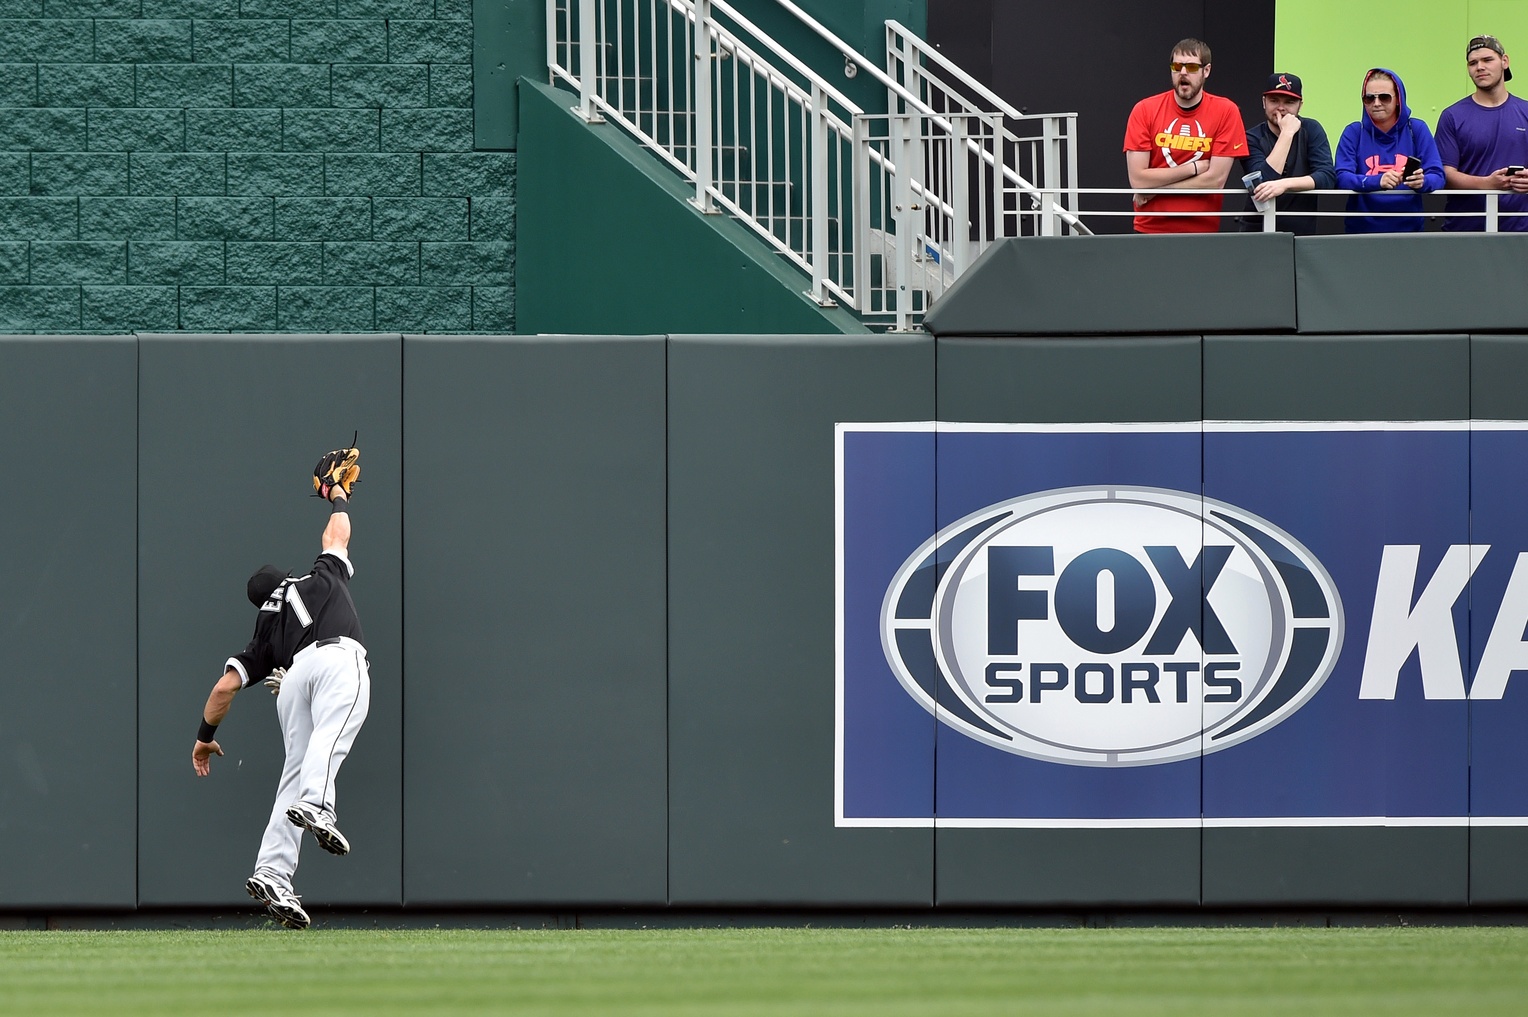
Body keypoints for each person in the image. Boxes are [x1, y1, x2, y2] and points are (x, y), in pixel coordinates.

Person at [191, 446, 370, 931]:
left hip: (290, 681)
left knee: (294, 770)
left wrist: (205, 735)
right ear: (283, 579)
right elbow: (338, 533)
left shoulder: (262, 633)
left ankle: (271, 871)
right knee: (332, 735)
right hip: (336, 659)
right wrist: (336, 494)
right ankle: (318, 804)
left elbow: (223, 689)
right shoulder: (317, 578)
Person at [1123, 38, 1248, 233]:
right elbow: (1138, 180)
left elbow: (1215, 181)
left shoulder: (1226, 111)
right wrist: (1194, 167)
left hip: (1201, 230)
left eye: (1190, 67)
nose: (1182, 73)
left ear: (1206, 71)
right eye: (1176, 66)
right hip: (1149, 228)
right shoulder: (1144, 109)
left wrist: (1157, 191)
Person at [1334, 67, 1445, 233]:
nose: (1376, 103)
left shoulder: (1416, 129)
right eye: (1369, 98)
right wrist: (1377, 181)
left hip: (1409, 232)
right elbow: (1342, 177)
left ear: (1398, 99)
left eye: (1384, 97)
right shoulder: (1354, 132)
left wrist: (1422, 182)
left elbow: (1438, 175)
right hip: (1360, 233)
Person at [1436, 35, 1528, 231]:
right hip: (1465, 231)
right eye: (1473, 63)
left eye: (1487, 60)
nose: (1479, 67)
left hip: (1520, 231)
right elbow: (1445, 173)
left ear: (1505, 61)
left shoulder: (1525, 112)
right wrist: (1487, 184)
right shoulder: (1452, 116)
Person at [1238, 72, 1336, 235]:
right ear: (1264, 102)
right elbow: (1261, 183)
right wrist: (1287, 134)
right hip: (1257, 231)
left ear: (1300, 105)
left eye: (1289, 102)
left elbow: (1327, 177)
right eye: (1274, 100)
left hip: (1301, 232)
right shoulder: (1251, 137)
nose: (1281, 108)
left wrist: (1285, 184)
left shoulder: (1312, 129)